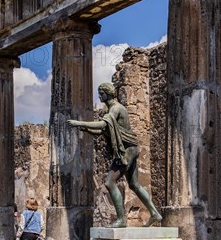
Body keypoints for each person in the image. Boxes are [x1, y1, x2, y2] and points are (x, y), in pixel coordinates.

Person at [67, 82, 162, 228]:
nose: (99, 95)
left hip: (127, 150)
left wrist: (80, 122)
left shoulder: (116, 109)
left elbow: (102, 125)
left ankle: (121, 220)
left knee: (109, 182)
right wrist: (84, 128)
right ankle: (154, 213)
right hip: (132, 148)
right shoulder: (112, 110)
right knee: (134, 184)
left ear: (108, 93)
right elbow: (102, 131)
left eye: (101, 92)